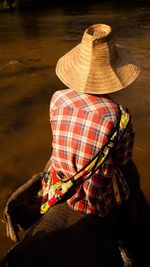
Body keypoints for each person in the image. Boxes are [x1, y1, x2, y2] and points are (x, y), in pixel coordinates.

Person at [2, 23, 149, 267]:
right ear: (114, 72)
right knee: (130, 186)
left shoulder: (57, 98)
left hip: (58, 184)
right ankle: (133, 252)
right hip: (93, 202)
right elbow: (122, 161)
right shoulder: (120, 116)